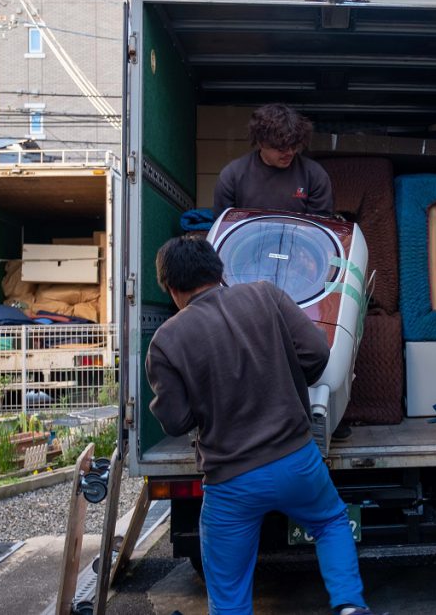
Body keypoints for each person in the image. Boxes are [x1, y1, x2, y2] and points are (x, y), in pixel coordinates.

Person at [145, 236, 379, 615]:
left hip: (231, 481)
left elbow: (175, 422)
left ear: (172, 289)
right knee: (332, 522)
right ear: (219, 272)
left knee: (230, 593)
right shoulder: (265, 295)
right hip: (297, 460)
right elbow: (318, 354)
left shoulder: (166, 341)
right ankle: (350, 606)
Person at [213, 103, 334, 216]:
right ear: (261, 143)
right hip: (247, 238)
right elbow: (224, 227)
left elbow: (320, 227)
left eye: (294, 146)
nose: (290, 153)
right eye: (281, 148)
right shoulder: (232, 176)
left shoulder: (315, 175)